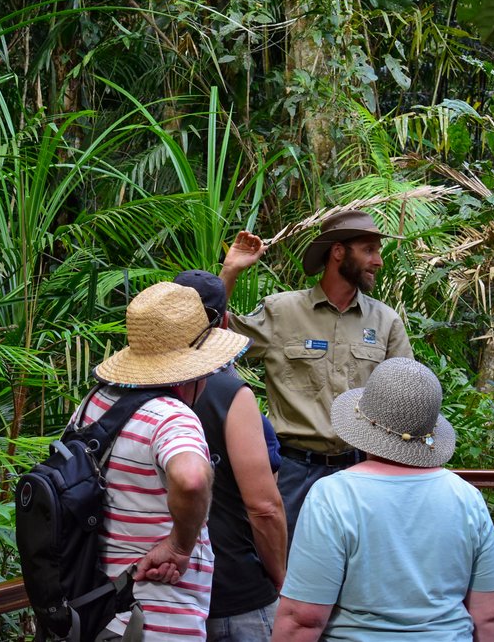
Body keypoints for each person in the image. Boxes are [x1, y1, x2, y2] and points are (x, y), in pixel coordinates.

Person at [272, 357, 494, 641]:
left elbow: (303, 618)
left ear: (364, 423)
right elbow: (491, 613)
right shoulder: (466, 497)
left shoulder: (334, 496)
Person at [219, 210, 414, 534]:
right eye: (369, 249)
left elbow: (405, 400)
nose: (378, 260)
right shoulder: (281, 311)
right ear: (338, 252)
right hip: (292, 472)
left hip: (359, 470)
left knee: (353, 574)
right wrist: (230, 272)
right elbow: (215, 338)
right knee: (287, 571)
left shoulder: (386, 322)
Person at [78, 281, 250, 641]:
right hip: (157, 618)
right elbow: (191, 478)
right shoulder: (172, 416)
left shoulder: (94, 404)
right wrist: (179, 545)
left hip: (99, 608)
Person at [173, 270, 287, 641]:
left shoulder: (121, 391)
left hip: (162, 595)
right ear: (223, 322)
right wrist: (282, 581)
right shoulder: (230, 394)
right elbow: (264, 508)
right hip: (235, 592)